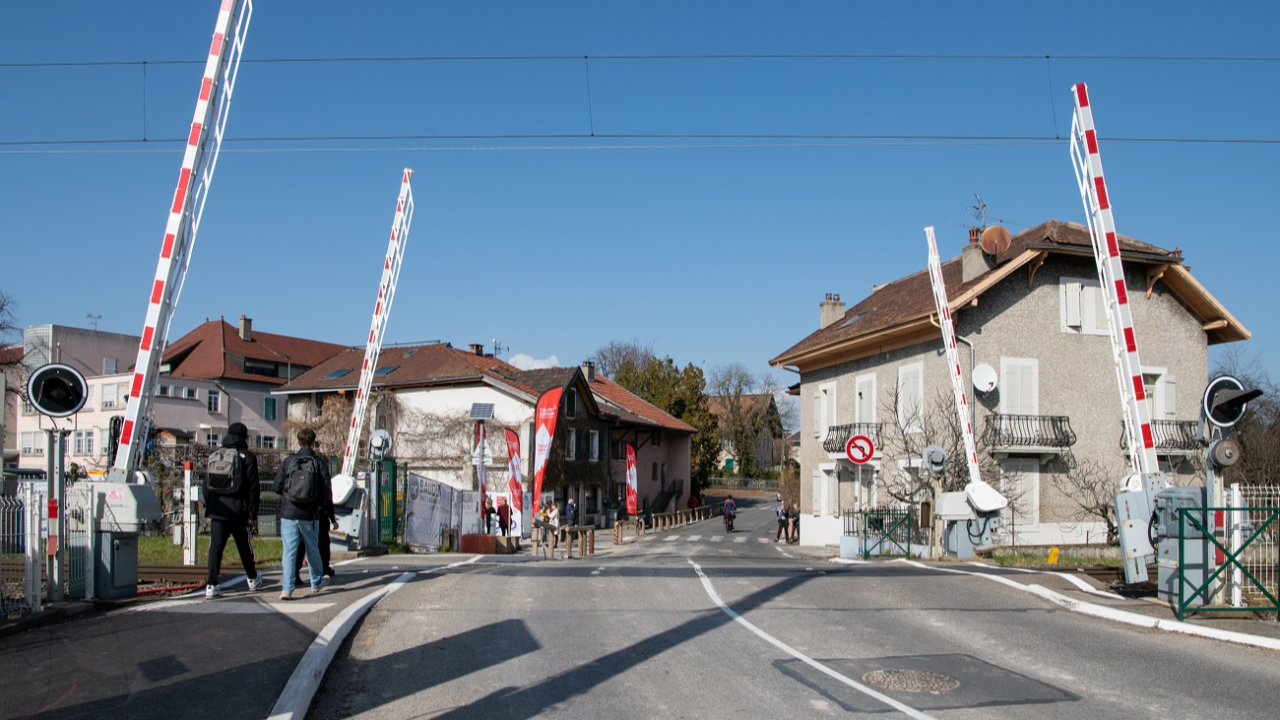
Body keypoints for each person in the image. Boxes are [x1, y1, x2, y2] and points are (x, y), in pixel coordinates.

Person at [203, 422, 263, 598]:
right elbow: (254, 487)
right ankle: (252, 579)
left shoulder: (216, 454)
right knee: (244, 546)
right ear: (244, 437)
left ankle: (212, 585)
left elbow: (206, 485)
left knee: (215, 547)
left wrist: (211, 505)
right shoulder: (247, 456)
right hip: (238, 510)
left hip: (218, 511)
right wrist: (252, 513)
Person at [274, 428, 334, 600]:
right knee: (312, 548)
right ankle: (316, 582)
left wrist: (289, 498)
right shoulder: (319, 463)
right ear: (313, 442)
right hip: (310, 514)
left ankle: (287, 588)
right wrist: (317, 505)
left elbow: (277, 487)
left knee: (289, 551)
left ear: (298, 442)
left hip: (289, 513)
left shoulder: (288, 462)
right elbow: (326, 492)